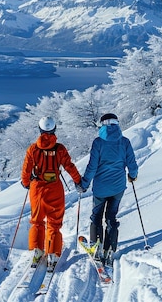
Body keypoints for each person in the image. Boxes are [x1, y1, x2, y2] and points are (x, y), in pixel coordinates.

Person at [77, 113, 138, 267]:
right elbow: (132, 163)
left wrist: (84, 184)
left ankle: (96, 248)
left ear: (102, 125)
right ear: (117, 124)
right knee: (111, 217)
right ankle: (109, 249)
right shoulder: (124, 141)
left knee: (96, 216)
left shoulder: (98, 142)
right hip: (118, 187)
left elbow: (92, 166)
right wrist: (132, 175)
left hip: (100, 188)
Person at [21, 116, 82, 268]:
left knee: (37, 221)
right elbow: (69, 166)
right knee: (54, 222)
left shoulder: (33, 149)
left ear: (40, 130)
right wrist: (78, 181)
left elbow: (26, 170)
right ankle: (53, 253)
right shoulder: (60, 148)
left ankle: (36, 250)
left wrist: (26, 182)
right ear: (54, 129)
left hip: (37, 189)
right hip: (55, 188)